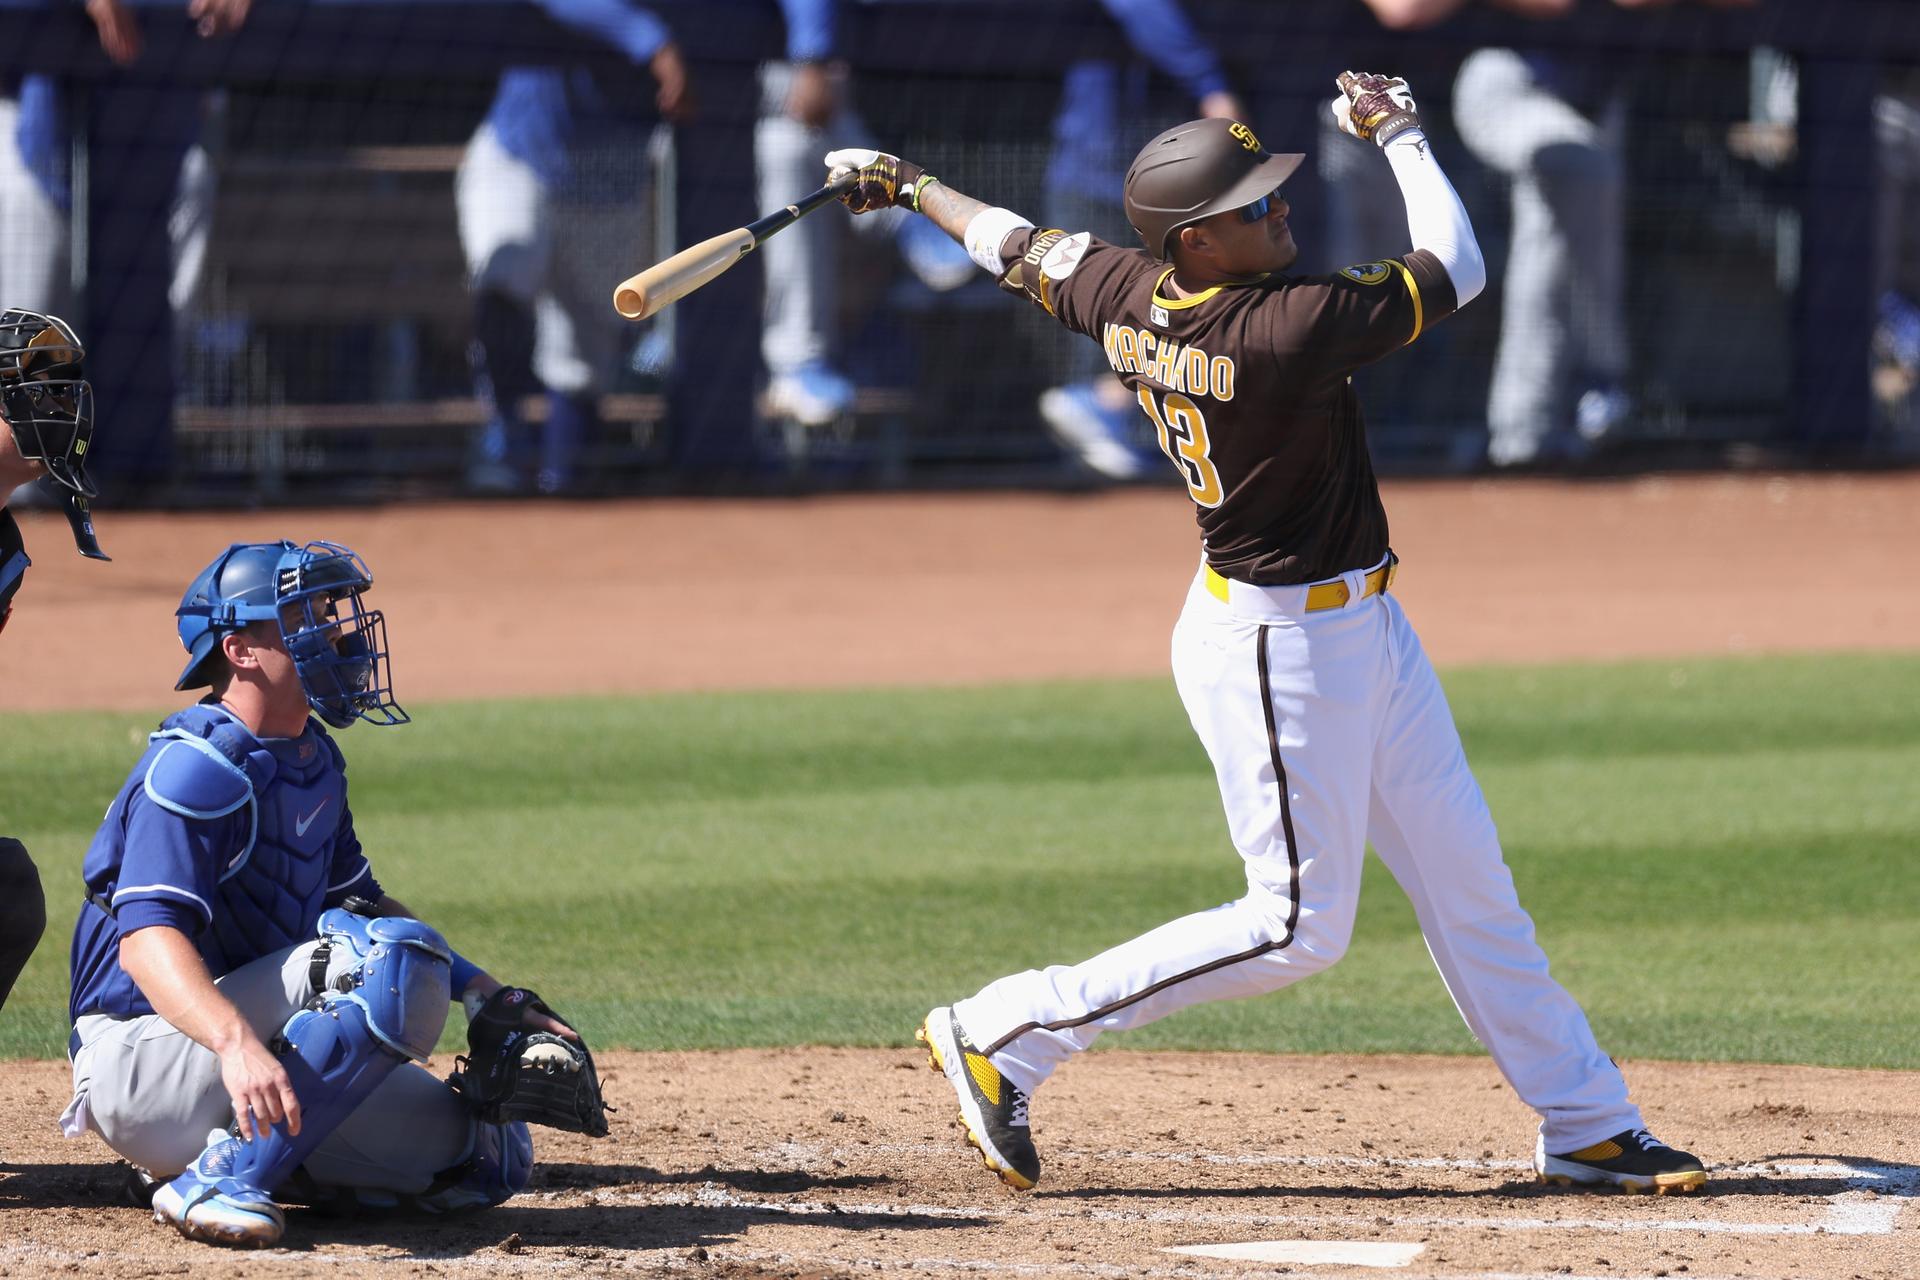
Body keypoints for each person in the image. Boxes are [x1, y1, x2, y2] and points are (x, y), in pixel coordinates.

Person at [821, 72, 1708, 1196]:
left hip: (1359, 628)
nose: (1281, 210)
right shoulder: (1286, 327)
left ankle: (1584, 1119)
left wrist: (907, 185)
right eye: (1256, 206)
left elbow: (1017, 246)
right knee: (1294, 924)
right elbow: (1462, 265)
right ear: (1197, 239)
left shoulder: (1131, 291)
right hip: (1281, 649)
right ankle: (1009, 1027)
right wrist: (1399, 132)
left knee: (1468, 880)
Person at [61, 538, 583, 1248]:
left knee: (485, 1158)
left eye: (334, 613)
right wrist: (236, 1042)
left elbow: (360, 902)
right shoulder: (196, 768)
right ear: (241, 649)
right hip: (142, 1065)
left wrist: (484, 993)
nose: (337, 634)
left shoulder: (312, 762)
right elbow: (147, 945)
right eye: (307, 618)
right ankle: (212, 1181)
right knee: (382, 962)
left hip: (238, 1059)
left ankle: (238, 1159)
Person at [456, 0, 696, 495]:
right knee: (507, 271)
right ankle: (505, 442)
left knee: (584, 362)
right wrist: (655, 43)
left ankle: (563, 494)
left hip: (611, 181)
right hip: (520, 153)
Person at [1035, 0, 1249, 481]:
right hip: (1098, 177)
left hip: (1158, 185)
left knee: (1167, 313)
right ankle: (1097, 416)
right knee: (1104, 321)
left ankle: (1111, 418)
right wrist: (1211, 85)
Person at [1, 306, 107, 1026]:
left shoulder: (3, 550)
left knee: (8, 891)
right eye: (36, 390)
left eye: (64, 388)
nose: (58, 407)